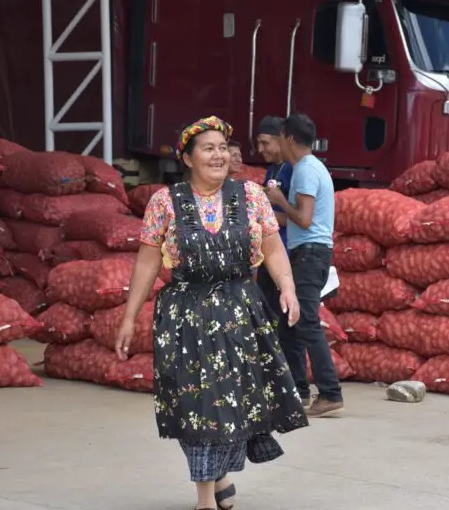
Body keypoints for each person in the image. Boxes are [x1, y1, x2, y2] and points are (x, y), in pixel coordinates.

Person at [115, 116, 308, 510]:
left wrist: (287, 286)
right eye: (208, 148)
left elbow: (272, 248)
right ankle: (206, 498)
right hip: (186, 318)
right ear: (187, 158)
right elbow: (147, 263)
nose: (219, 155)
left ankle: (218, 475)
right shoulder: (164, 203)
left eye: (223, 148)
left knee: (230, 405)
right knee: (197, 406)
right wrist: (129, 316)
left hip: (239, 313)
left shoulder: (252, 196)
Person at [263, 113, 344, 418]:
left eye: (280, 138)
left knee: (307, 321)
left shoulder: (305, 170)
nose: (279, 145)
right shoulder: (309, 168)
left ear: (290, 140)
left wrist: (278, 199)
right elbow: (298, 221)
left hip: (310, 255)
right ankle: (296, 390)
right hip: (306, 251)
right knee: (290, 322)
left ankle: (330, 392)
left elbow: (304, 218)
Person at [256, 116, 294, 351]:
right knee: (265, 310)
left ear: (281, 141)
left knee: (281, 314)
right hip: (266, 252)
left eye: (265, 143)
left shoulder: (292, 170)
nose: (260, 149)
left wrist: (268, 220)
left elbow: (299, 217)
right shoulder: (271, 170)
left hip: (286, 252)